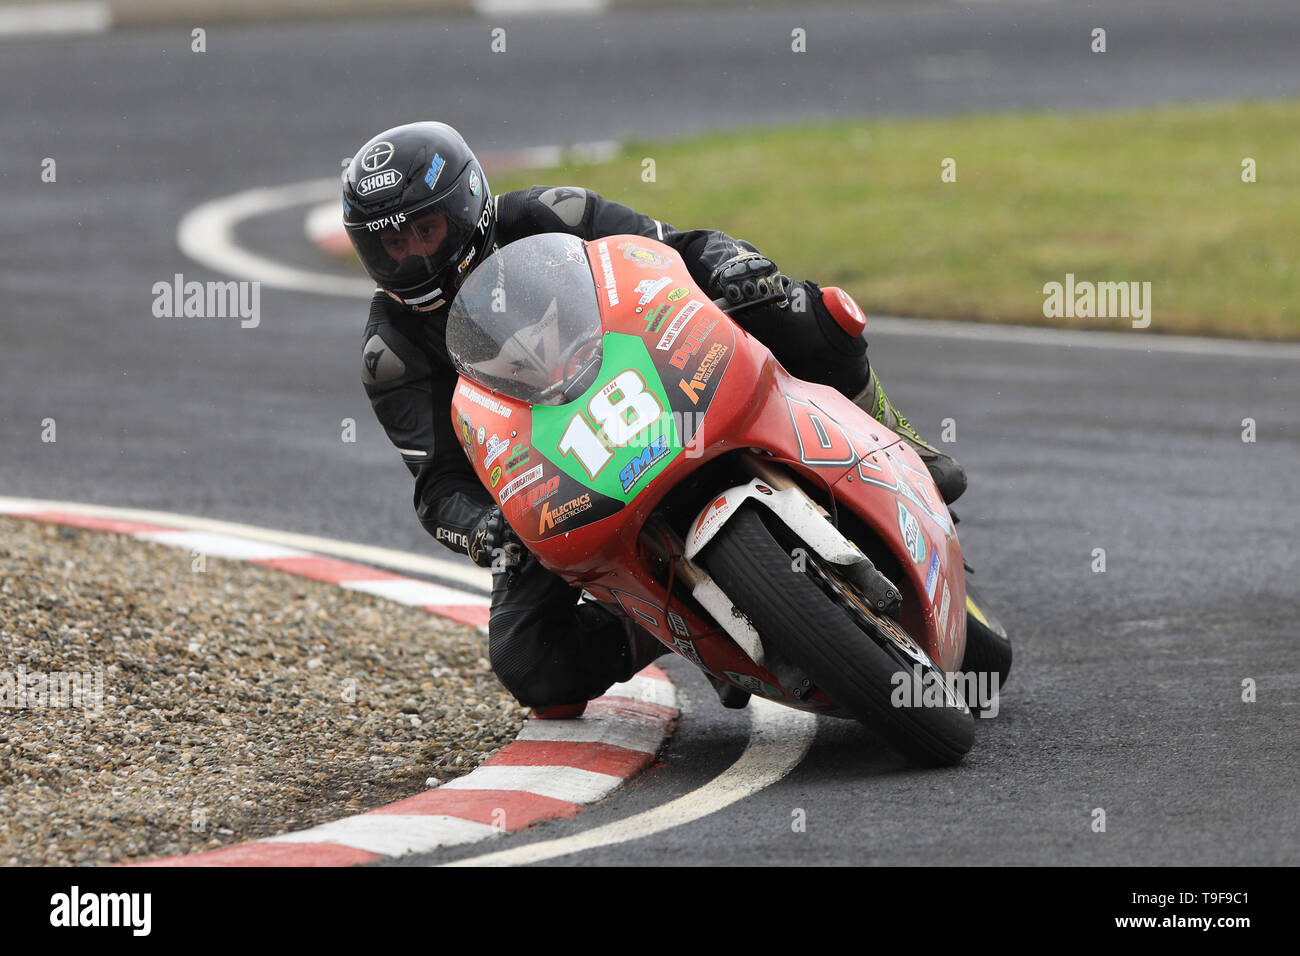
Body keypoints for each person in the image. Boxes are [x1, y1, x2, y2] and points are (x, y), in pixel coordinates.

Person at [344, 121, 965, 715]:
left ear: (468, 206)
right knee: (531, 667)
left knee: (800, 309)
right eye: (391, 245)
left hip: (659, 373)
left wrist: (730, 265)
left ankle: (899, 437)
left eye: (425, 231)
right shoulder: (392, 354)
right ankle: (654, 618)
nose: (414, 257)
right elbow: (438, 490)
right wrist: (483, 529)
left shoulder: (550, 215)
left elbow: (674, 250)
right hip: (557, 478)